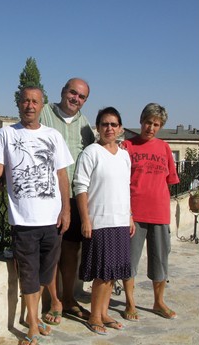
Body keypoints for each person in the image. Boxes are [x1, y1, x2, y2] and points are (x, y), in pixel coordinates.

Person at [0, 86, 73, 345]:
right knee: (29, 273)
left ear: (42, 105)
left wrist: (66, 209)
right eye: (25, 101)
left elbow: (61, 175)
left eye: (35, 101)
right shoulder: (5, 134)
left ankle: (33, 316)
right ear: (18, 104)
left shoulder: (53, 136)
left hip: (52, 220)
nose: (29, 105)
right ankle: (32, 322)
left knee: (45, 272)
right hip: (23, 221)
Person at [73, 106, 135, 335]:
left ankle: (105, 312)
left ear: (120, 128)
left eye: (114, 124)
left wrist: (129, 216)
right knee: (102, 273)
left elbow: (125, 189)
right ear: (97, 128)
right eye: (105, 124)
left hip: (120, 221)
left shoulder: (124, 155)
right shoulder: (90, 153)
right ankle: (95, 316)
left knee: (113, 273)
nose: (109, 128)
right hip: (99, 221)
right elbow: (80, 188)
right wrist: (85, 220)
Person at [39, 78, 95, 324]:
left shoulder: (85, 125)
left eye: (82, 97)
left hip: (74, 197)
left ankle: (69, 297)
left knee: (71, 251)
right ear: (63, 92)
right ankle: (54, 301)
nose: (76, 99)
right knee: (51, 251)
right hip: (47, 196)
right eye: (73, 93)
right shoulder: (44, 114)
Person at [121, 103, 180, 321]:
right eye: (148, 122)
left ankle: (158, 302)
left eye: (156, 124)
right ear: (141, 120)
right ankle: (130, 302)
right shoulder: (128, 146)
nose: (151, 128)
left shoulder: (164, 148)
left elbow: (171, 180)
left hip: (160, 214)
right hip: (134, 215)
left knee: (160, 260)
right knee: (129, 261)